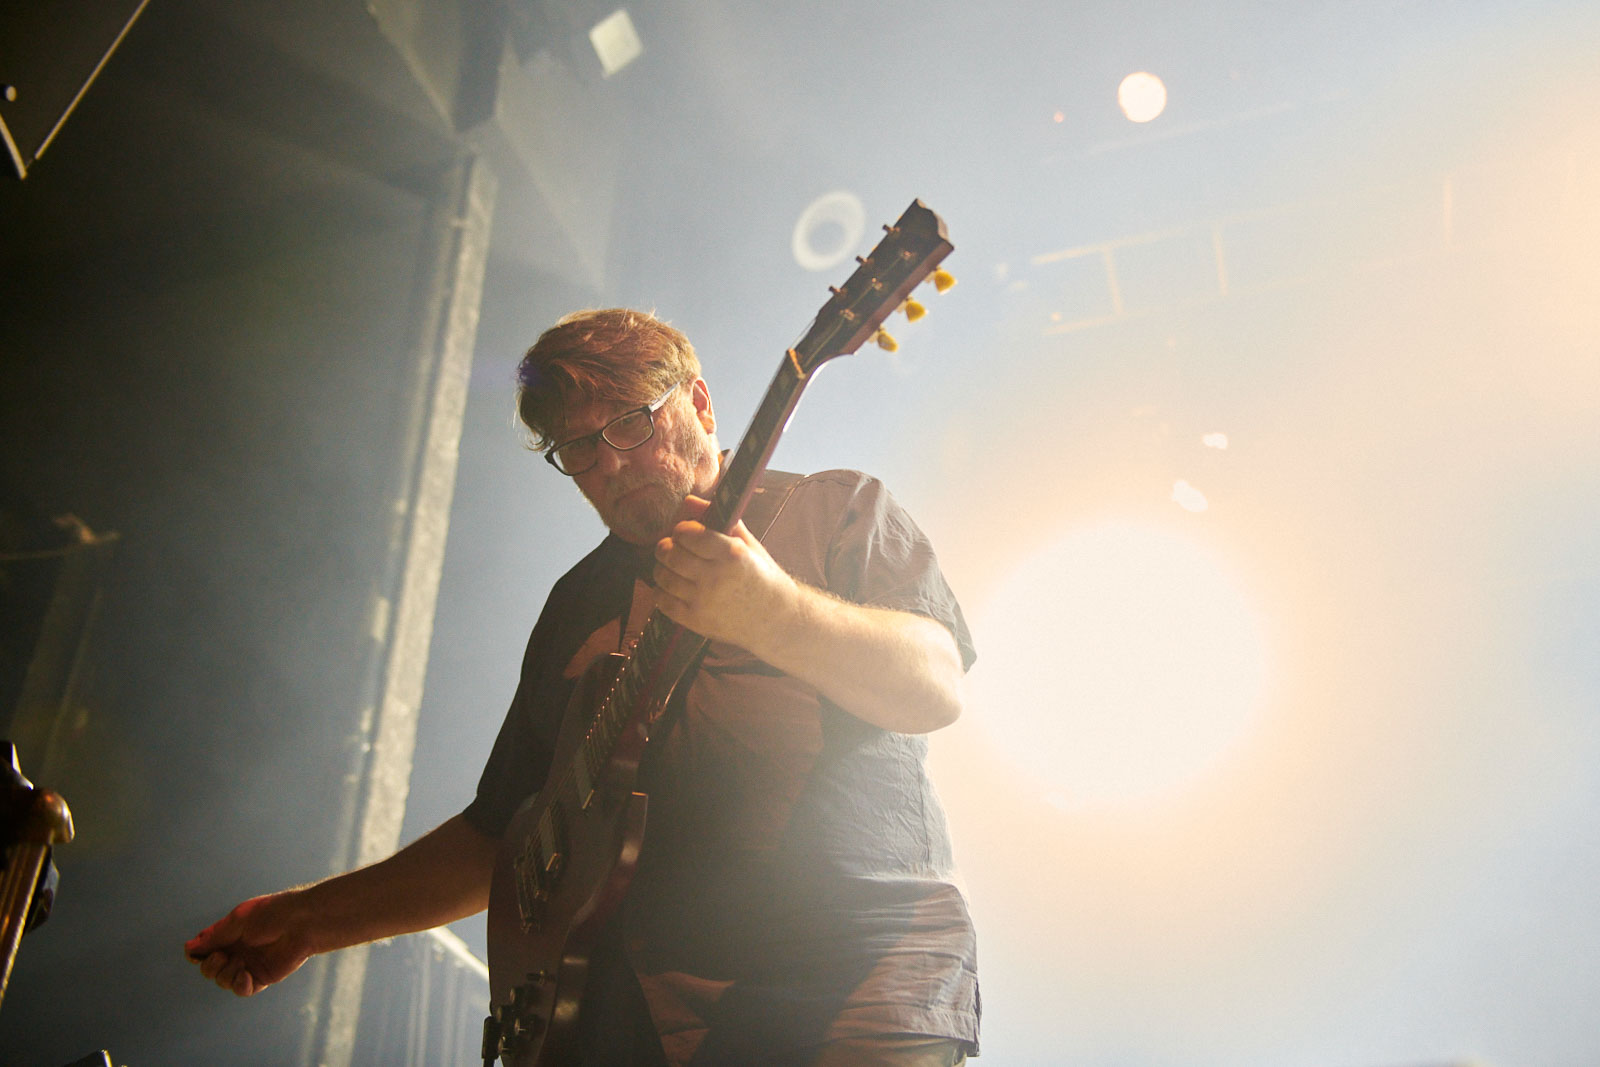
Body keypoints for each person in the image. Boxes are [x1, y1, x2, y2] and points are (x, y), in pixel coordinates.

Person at [187, 309, 979, 1065]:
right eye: (578, 450)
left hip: (846, 989)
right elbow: (503, 839)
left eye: (630, 424)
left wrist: (772, 611)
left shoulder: (833, 507)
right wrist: (307, 920)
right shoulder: (576, 605)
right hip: (631, 1023)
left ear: (698, 403)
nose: (610, 465)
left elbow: (934, 685)